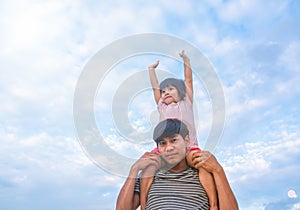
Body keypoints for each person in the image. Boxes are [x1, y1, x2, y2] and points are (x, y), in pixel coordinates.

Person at [140, 50, 217, 210]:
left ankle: (214, 203)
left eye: (170, 89)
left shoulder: (185, 102)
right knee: (149, 166)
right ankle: (144, 205)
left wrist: (186, 60)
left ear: (180, 93)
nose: (165, 93)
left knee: (201, 165)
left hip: (189, 147)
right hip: (165, 148)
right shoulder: (162, 105)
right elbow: (155, 88)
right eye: (163, 91)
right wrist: (151, 71)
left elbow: (188, 81)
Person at [116, 119, 238, 210]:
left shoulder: (204, 175)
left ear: (187, 141)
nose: (169, 148)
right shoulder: (149, 177)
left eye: (174, 140)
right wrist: (134, 170)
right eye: (163, 143)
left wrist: (218, 170)